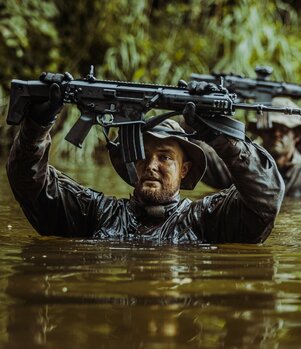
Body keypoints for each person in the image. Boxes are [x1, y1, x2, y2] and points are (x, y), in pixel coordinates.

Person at [6, 73, 285, 244]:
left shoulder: (204, 220)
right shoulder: (97, 214)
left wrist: (225, 140)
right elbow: (30, 183)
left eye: (165, 158)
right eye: (144, 155)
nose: (151, 165)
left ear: (185, 170)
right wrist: (36, 127)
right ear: (132, 161)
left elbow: (267, 197)